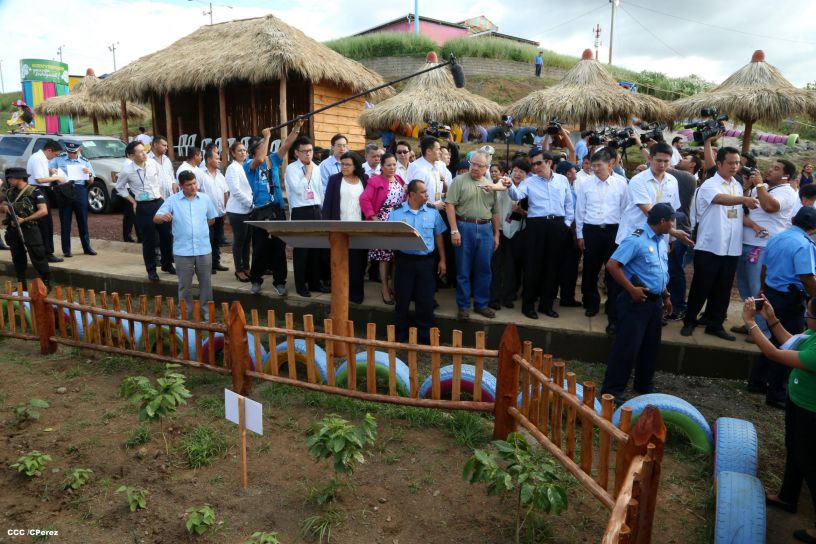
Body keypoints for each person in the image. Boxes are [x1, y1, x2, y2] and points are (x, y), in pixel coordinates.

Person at [741, 294, 816, 544]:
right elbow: (789, 344)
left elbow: (773, 353)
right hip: (799, 404)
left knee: (810, 464)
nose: (805, 318)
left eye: (808, 315)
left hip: (812, 413)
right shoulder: (812, 337)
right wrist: (771, 320)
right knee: (794, 451)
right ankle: (787, 496)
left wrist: (750, 322)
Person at [681, 146, 760, 340]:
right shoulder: (710, 184)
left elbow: (737, 212)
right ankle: (690, 321)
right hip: (710, 246)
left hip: (731, 247)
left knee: (723, 289)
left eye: (738, 163)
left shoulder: (737, 184)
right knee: (701, 286)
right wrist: (743, 199)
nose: (735, 167)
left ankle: (714, 324)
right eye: (731, 163)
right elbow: (719, 199)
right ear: (719, 164)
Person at [600, 203, 675, 403]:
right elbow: (612, 265)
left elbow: (659, 271)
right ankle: (612, 390)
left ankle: (644, 384)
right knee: (627, 347)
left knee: (650, 346)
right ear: (662, 221)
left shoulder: (660, 240)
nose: (672, 225)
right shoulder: (637, 240)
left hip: (655, 302)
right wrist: (631, 289)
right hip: (636, 301)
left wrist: (666, 295)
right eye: (671, 221)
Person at [747, 206, 816, 409]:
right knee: (791, 343)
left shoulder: (778, 237)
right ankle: (776, 392)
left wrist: (762, 289)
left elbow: (765, 267)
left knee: (775, 338)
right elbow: (806, 276)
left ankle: (757, 380)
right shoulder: (805, 245)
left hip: (772, 293)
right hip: (790, 298)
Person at [733, 160, 799, 338]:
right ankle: (751, 325)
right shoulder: (761, 188)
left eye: (776, 169)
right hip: (746, 242)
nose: (770, 169)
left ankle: (763, 332)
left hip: (763, 247)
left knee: (758, 288)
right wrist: (747, 187)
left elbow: (770, 207)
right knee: (745, 287)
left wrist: (760, 184)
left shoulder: (787, 192)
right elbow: (744, 208)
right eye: (770, 166)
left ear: (787, 176)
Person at [505, 149, 574, 319]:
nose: (535, 167)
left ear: (549, 163)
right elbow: (517, 194)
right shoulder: (529, 182)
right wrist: (509, 185)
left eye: (538, 163)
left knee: (553, 267)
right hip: (536, 225)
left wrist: (565, 225)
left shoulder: (562, 180)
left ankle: (546, 305)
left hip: (557, 225)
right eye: (533, 164)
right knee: (532, 267)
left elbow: (569, 205)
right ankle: (528, 306)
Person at [245, 122, 303, 296]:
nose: (264, 148)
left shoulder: (275, 160)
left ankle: (280, 281)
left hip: (276, 208)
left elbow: (286, 145)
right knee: (260, 247)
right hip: (260, 210)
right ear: (255, 149)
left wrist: (296, 128)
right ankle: (256, 280)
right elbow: (260, 159)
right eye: (260, 146)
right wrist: (267, 136)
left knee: (279, 247)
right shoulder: (249, 164)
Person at [575, 149, 629, 332]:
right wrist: (580, 235)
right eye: (593, 165)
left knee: (613, 271)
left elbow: (625, 211)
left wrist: (622, 236)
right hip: (591, 230)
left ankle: (612, 306)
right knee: (590, 269)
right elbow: (580, 210)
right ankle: (591, 303)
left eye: (599, 165)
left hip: (614, 231)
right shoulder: (585, 184)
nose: (595, 169)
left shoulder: (621, 184)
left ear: (610, 164)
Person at [388, 180, 447, 343]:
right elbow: (389, 235)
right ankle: (399, 336)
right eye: (423, 192)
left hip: (426, 262)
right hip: (404, 261)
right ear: (412, 195)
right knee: (402, 299)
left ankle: (425, 336)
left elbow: (439, 236)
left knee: (426, 300)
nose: (427, 195)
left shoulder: (432, 211)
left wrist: (442, 260)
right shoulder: (397, 212)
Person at [154, 170, 217, 318]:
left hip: (203, 249)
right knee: (184, 286)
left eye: (194, 183)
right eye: (189, 185)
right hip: (182, 251)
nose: (193, 187)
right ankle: (185, 315)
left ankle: (208, 315)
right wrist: (163, 216)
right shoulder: (172, 200)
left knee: (206, 284)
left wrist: (198, 228)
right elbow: (155, 218)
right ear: (181, 186)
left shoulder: (205, 199)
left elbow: (212, 219)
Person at [445, 151, 500, 320]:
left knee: (484, 269)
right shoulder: (459, 181)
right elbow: (449, 205)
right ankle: (463, 306)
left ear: (486, 168)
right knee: (463, 269)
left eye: (479, 165)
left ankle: (481, 304)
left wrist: (496, 234)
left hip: (485, 229)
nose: (475, 167)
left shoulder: (491, 185)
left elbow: (495, 212)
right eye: (473, 163)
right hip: (464, 226)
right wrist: (454, 230)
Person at [114, 141, 175, 281]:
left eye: (144, 150)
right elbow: (119, 187)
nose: (144, 153)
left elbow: (159, 180)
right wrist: (133, 200)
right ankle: (151, 270)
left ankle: (167, 264)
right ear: (131, 155)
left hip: (159, 203)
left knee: (167, 235)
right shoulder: (127, 170)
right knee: (149, 239)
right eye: (140, 152)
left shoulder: (153, 164)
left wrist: (163, 198)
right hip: (144, 206)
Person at [322, 152, 368, 303]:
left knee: (358, 263)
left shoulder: (364, 179)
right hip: (339, 227)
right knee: (340, 262)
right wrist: (327, 227)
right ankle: (341, 294)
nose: (344, 167)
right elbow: (327, 205)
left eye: (348, 164)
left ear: (355, 166)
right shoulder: (334, 180)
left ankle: (356, 295)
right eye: (342, 164)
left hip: (359, 228)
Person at [360, 152, 406, 305]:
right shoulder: (375, 181)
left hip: (398, 220)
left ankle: (393, 285)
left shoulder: (399, 179)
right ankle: (384, 288)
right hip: (383, 220)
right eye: (388, 165)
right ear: (382, 166)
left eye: (394, 165)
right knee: (384, 257)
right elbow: (364, 198)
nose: (392, 168)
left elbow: (404, 199)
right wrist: (373, 217)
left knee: (395, 256)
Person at [285, 136, 327, 297]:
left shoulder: (316, 167)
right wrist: (308, 171)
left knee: (316, 249)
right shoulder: (291, 169)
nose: (308, 154)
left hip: (316, 210)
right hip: (301, 211)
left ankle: (315, 282)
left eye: (310, 150)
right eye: (304, 151)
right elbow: (298, 189)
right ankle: (301, 285)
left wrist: (321, 209)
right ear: (297, 153)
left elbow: (319, 191)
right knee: (302, 250)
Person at [1, 167, 51, 290]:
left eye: (11, 178)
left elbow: (43, 211)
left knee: (38, 256)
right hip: (14, 230)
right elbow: (2, 206)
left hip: (30, 228)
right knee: (17, 257)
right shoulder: (9, 192)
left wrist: (25, 219)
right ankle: (21, 283)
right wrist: (6, 208)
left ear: (19, 178)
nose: (9, 180)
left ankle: (46, 283)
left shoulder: (35, 191)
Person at [490, 158, 528, 309]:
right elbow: (498, 187)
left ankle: (507, 297)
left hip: (518, 231)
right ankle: (494, 298)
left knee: (511, 267)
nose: (518, 174)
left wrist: (521, 211)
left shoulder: (527, 188)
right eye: (516, 171)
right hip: (500, 230)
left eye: (522, 172)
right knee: (496, 266)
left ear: (527, 174)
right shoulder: (505, 183)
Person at [51, 141, 96, 257]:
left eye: (74, 152)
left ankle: (87, 247)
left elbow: (91, 181)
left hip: (80, 190)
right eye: (69, 152)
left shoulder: (85, 162)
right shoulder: (59, 159)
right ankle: (66, 250)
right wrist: (52, 171)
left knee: (83, 220)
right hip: (65, 190)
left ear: (79, 150)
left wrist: (89, 174)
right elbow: (49, 169)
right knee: (65, 221)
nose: (72, 154)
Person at [665, 164, 697, 320]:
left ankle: (678, 306)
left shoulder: (687, 178)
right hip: (674, 232)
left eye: (686, 158)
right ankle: (671, 304)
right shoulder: (686, 178)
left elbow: (661, 165)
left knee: (674, 270)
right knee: (672, 270)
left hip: (678, 233)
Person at [26, 138, 64, 263]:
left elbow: (40, 173)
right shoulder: (38, 158)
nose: (54, 157)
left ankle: (44, 252)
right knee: (45, 223)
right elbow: (39, 179)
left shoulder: (41, 157)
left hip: (40, 190)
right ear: (49, 150)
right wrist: (56, 177)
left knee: (45, 223)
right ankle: (47, 253)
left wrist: (50, 170)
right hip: (39, 190)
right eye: (55, 154)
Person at [555, 160, 583, 310]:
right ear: (566, 174)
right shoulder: (562, 189)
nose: (576, 174)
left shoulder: (571, 188)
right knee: (568, 266)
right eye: (573, 171)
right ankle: (566, 296)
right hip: (567, 231)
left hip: (572, 230)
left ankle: (567, 296)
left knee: (570, 267)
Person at [198, 145, 229, 274]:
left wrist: (226, 210)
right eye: (217, 158)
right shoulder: (200, 175)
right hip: (206, 215)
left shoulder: (221, 176)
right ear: (209, 159)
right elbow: (197, 193)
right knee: (207, 240)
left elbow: (226, 193)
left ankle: (216, 263)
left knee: (217, 240)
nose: (220, 160)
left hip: (219, 214)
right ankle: (206, 266)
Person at [225, 141, 253, 282]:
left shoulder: (247, 166)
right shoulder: (232, 168)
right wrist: (250, 203)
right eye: (240, 150)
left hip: (248, 209)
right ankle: (239, 270)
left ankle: (247, 267)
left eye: (244, 150)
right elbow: (235, 191)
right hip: (237, 210)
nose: (243, 152)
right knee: (239, 240)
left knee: (247, 240)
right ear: (233, 153)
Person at [406, 136, 446, 211]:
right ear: (428, 151)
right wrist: (434, 206)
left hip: (436, 210)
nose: (440, 152)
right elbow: (416, 198)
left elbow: (433, 191)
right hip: (423, 212)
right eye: (438, 149)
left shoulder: (437, 165)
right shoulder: (419, 169)